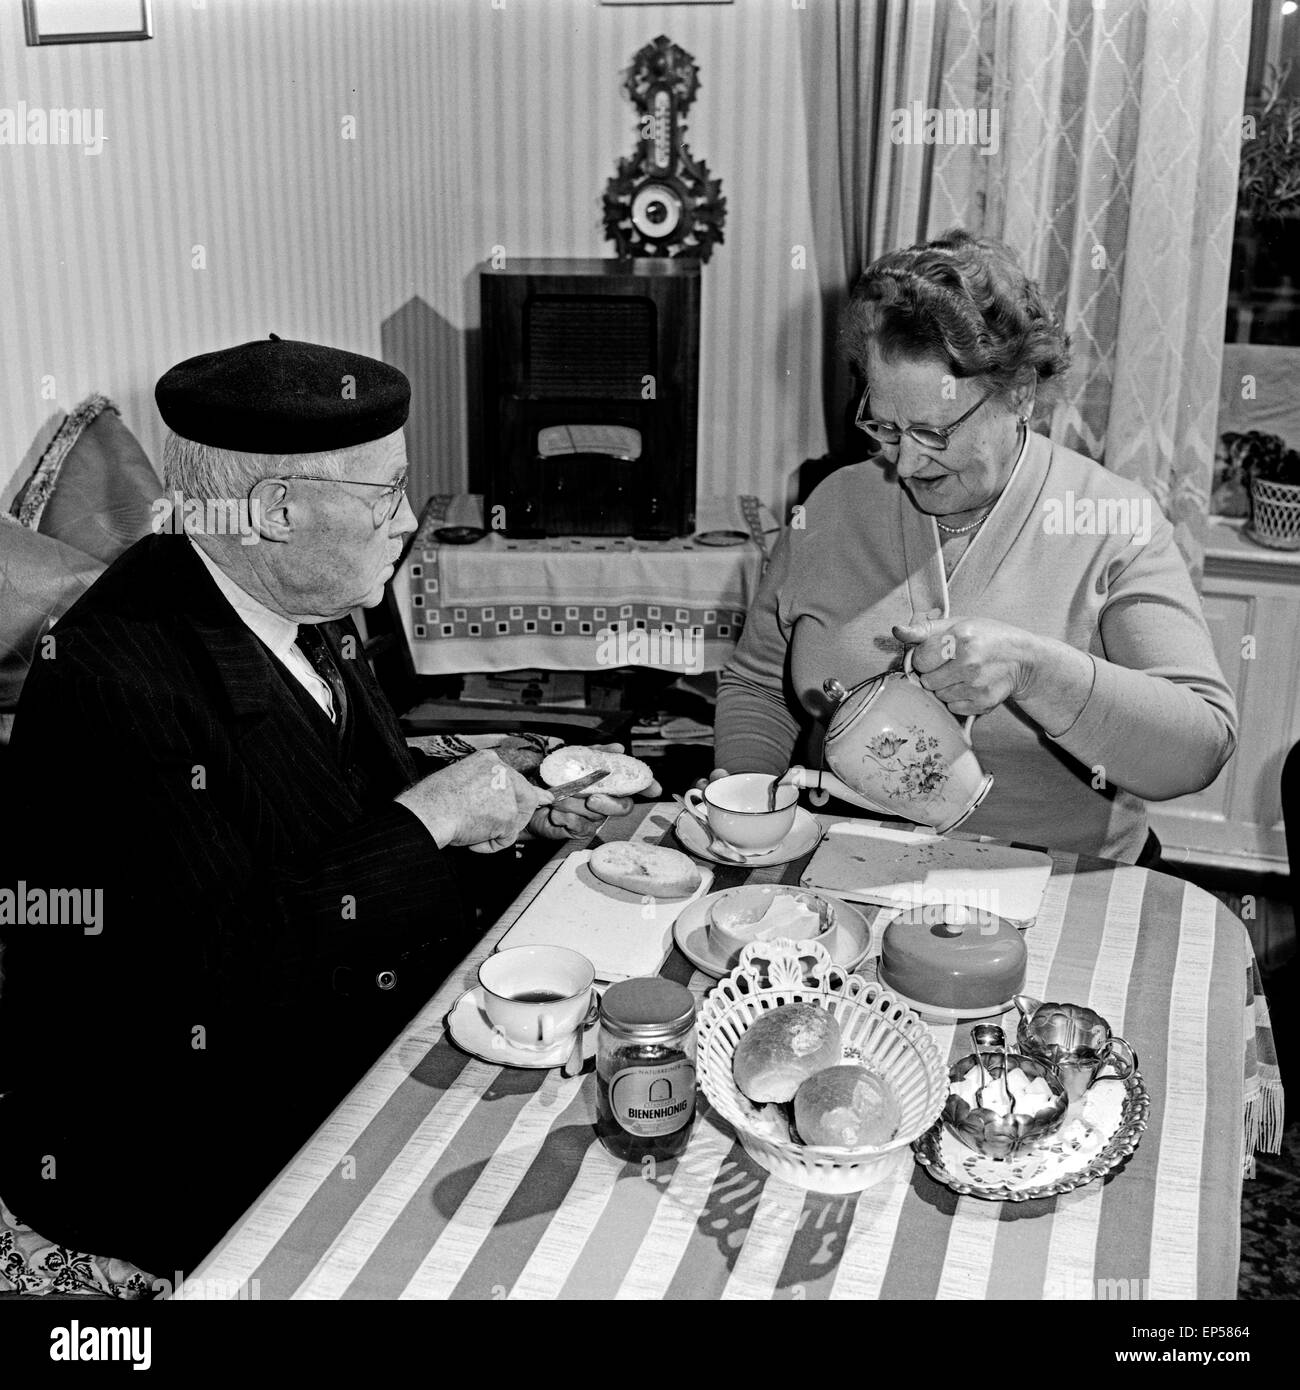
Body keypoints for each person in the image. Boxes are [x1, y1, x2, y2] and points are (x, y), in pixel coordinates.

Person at [0, 336, 648, 1280]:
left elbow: (358, 804)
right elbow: (221, 968)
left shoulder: (295, 600)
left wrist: (507, 817)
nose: (407, 522)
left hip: (322, 1031)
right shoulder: (115, 676)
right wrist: (431, 820)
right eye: (384, 495)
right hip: (172, 1138)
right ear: (274, 511)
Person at [714, 230, 1237, 864]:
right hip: (844, 865)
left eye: (934, 431)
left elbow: (1200, 747)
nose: (904, 463)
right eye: (884, 426)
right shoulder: (831, 508)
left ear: (1019, 392)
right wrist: (743, 801)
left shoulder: (1111, 521)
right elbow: (761, 684)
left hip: (1059, 882)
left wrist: (1035, 670)